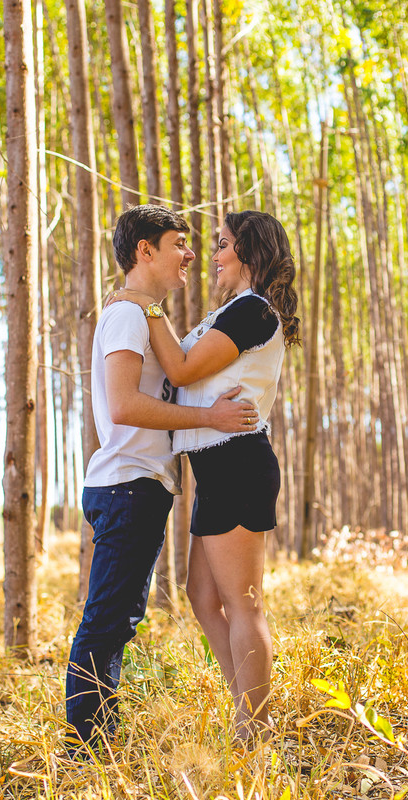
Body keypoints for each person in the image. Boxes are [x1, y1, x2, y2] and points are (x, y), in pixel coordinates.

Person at [65, 204, 259, 752]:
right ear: (144, 251)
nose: (191, 254)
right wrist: (209, 418)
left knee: (117, 619)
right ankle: (86, 748)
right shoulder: (127, 317)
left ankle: (96, 739)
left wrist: (142, 305)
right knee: (108, 621)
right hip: (128, 484)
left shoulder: (136, 312)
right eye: (178, 243)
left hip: (138, 485)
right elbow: (125, 405)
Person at [109, 210, 300, 742]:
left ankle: (254, 731)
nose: (213, 255)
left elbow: (183, 370)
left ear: (250, 252)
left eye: (222, 245)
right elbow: (182, 374)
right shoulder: (234, 310)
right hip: (215, 465)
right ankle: (246, 705)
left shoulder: (254, 311)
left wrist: (144, 304)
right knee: (201, 596)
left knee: (243, 602)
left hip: (238, 460)